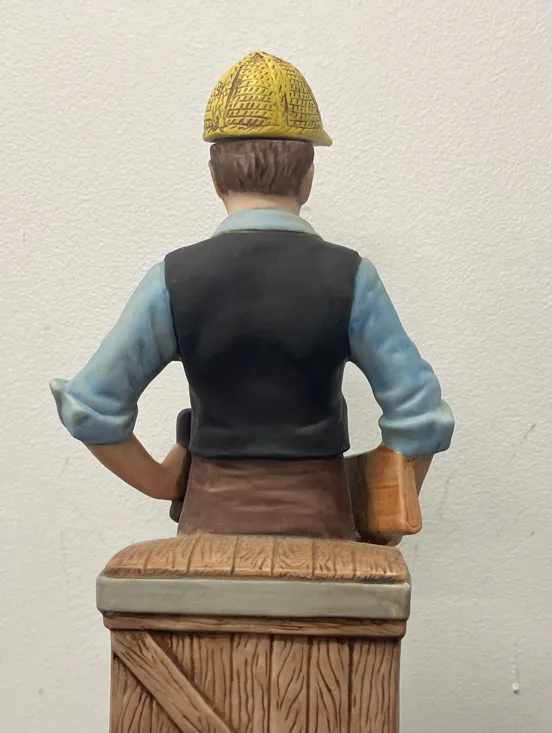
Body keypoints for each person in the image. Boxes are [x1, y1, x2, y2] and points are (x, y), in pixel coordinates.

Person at [51, 50, 454, 541]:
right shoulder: (352, 277)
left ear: (214, 176)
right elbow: (421, 419)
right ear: (308, 175)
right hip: (321, 520)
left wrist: (161, 483)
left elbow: (91, 408)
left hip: (209, 520)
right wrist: (384, 512)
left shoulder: (172, 278)